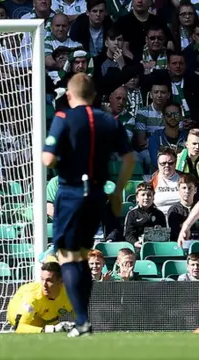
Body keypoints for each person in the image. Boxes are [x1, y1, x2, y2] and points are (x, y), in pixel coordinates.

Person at [41, 73, 136, 337]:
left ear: (69, 96)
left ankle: (82, 321)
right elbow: (129, 159)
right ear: (94, 96)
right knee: (82, 254)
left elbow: (48, 160)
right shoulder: (110, 121)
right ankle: (83, 319)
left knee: (68, 256)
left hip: (71, 194)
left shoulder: (63, 118)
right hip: (97, 194)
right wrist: (117, 192)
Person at [6, 262, 74, 334]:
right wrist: (52, 329)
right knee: (38, 327)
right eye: (42, 279)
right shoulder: (32, 298)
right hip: (19, 312)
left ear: (61, 281)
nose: (44, 285)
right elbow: (18, 327)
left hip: (46, 317)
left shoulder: (70, 294)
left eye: (49, 280)